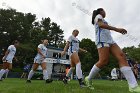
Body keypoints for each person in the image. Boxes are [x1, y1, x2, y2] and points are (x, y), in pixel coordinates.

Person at [84, 8, 140, 92]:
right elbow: (100, 25)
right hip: (102, 40)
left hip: (110, 41)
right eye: (104, 10)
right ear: (100, 11)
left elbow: (104, 26)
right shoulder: (98, 16)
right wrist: (117, 29)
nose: (105, 12)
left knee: (122, 56)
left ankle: (133, 87)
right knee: (103, 61)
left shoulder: (104, 19)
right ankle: (88, 78)